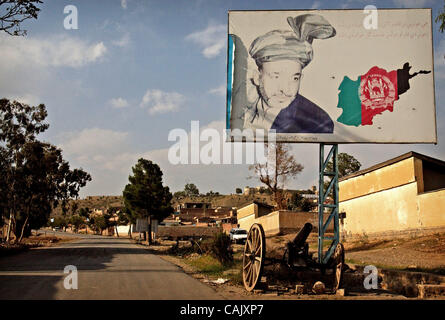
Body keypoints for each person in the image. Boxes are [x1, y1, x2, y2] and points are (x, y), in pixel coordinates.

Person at [244, 14, 336, 133]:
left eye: (294, 78)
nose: (285, 90)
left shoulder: (317, 122)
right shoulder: (243, 108)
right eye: (276, 76)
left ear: (301, 78)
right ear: (257, 77)